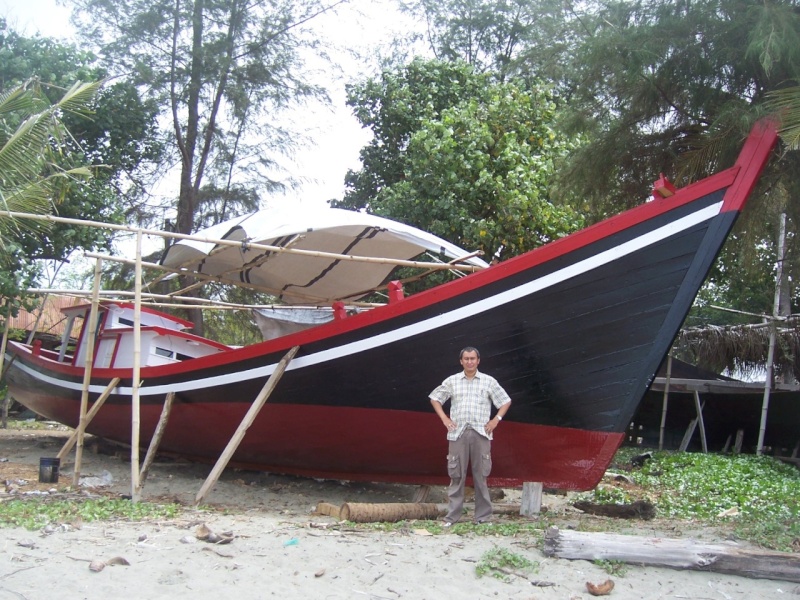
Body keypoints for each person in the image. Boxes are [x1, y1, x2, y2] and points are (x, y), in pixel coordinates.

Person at [429, 346, 511, 525]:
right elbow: (435, 398)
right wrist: (444, 418)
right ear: (461, 361)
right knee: (456, 475)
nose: (469, 362)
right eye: (466, 359)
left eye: (472, 358)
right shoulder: (452, 381)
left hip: (481, 433)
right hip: (457, 433)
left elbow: (505, 401)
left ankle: (483, 517)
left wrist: (496, 420)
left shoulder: (488, 381)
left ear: (478, 360)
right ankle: (452, 517)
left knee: (480, 475)